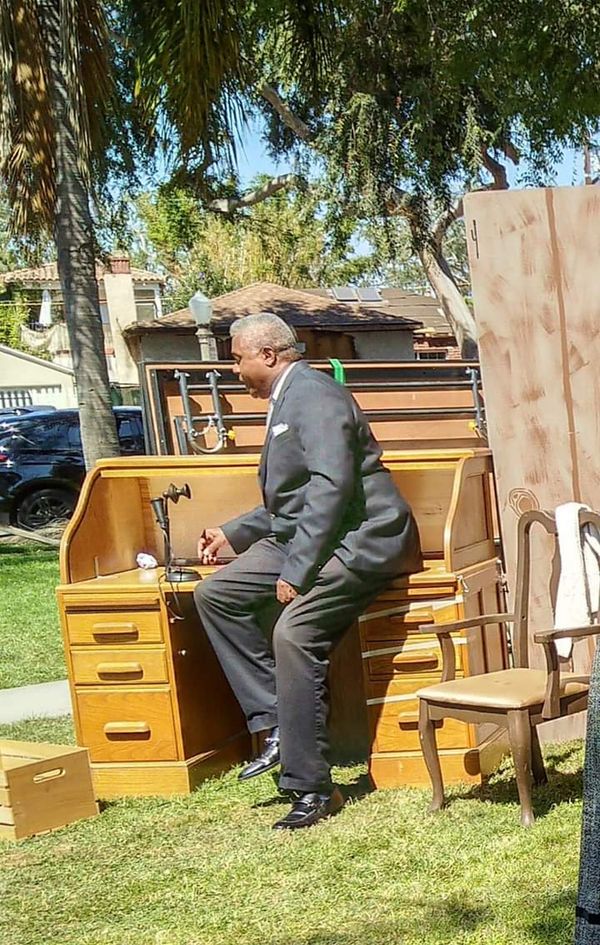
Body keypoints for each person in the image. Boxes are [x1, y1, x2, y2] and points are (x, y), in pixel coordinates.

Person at [194, 313, 422, 830]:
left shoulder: (315, 395)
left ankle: (312, 788)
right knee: (217, 595)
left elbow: (330, 488)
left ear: (268, 355)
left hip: (364, 538)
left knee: (293, 633)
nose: (235, 370)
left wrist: (297, 571)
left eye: (238, 359)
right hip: (315, 533)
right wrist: (234, 533)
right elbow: (296, 499)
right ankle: (276, 720)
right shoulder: (288, 396)